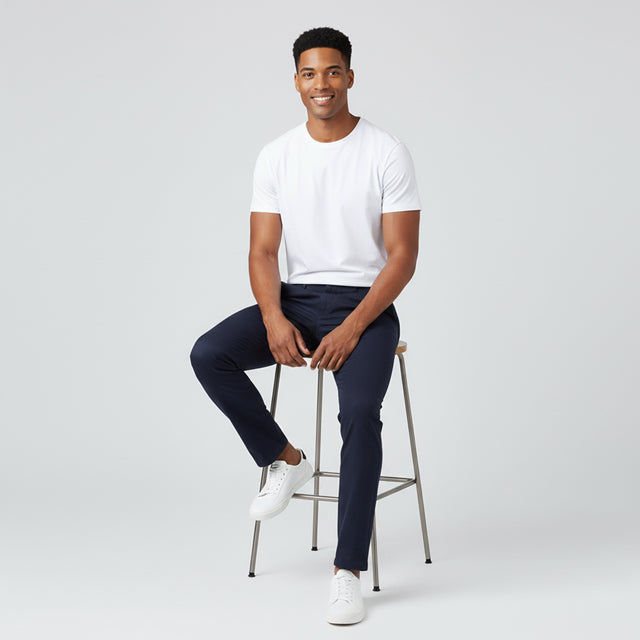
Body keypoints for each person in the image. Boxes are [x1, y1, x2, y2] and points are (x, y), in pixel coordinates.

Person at [190, 26, 421, 625]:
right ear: (296, 81)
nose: (323, 84)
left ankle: (347, 572)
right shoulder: (277, 155)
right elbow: (263, 251)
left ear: (350, 77)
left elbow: (402, 258)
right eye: (310, 73)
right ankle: (287, 460)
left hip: (366, 306)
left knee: (359, 414)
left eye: (333, 71)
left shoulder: (385, 151)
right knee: (209, 353)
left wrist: (353, 327)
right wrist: (273, 317)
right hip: (296, 300)